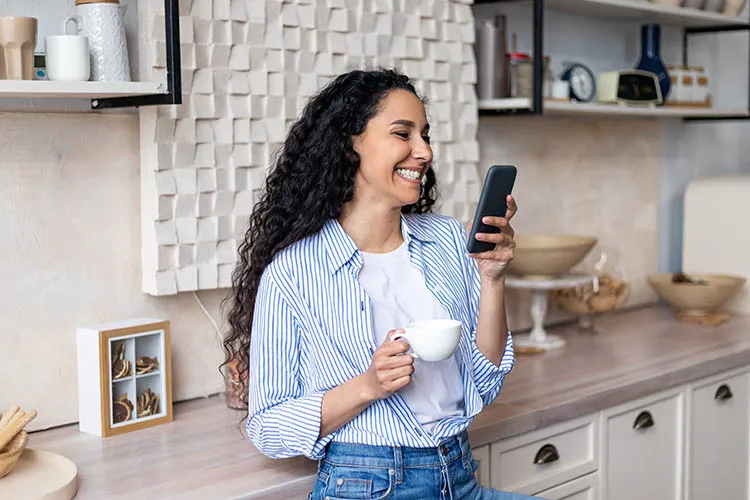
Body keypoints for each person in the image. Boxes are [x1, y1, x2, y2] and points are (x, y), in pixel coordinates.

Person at [225, 68, 539, 500]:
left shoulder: (447, 240)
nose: (423, 151)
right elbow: (268, 428)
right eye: (402, 133)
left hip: (459, 476)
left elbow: (484, 382)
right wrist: (368, 385)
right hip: (366, 484)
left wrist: (492, 279)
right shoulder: (294, 272)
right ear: (351, 141)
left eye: (425, 135)